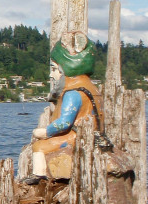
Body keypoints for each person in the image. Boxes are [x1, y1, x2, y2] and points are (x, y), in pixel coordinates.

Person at [29, 32, 104, 180]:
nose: (52, 75)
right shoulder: (91, 88)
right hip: (93, 136)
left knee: (38, 147)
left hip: (76, 137)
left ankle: (39, 176)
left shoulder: (73, 93)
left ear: (66, 70)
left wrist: (45, 132)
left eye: (54, 69)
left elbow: (64, 122)